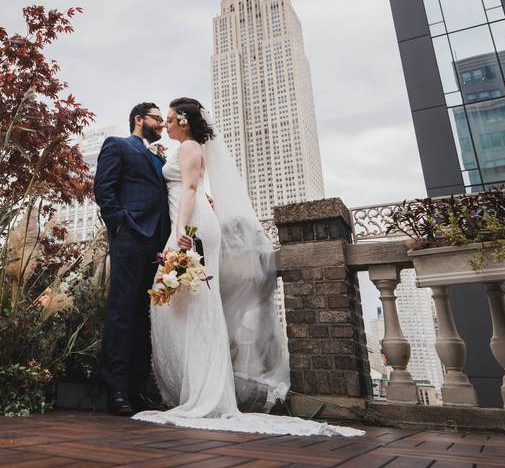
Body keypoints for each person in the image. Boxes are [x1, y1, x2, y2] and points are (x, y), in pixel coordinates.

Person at [132, 97, 362, 436]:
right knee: (187, 304)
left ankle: (205, 392)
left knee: (188, 304)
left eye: (169, 119)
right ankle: (197, 386)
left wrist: (180, 230)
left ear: (183, 121)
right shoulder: (188, 148)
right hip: (192, 224)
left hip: (192, 228)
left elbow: (191, 190)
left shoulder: (190, 148)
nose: (165, 125)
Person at [93, 102, 170, 415]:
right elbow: (104, 188)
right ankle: (116, 388)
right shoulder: (118, 145)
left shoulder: (157, 156)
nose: (163, 124)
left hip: (157, 242)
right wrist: (120, 224)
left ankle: (138, 388)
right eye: (157, 118)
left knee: (144, 313)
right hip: (131, 235)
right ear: (139, 120)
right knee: (122, 310)